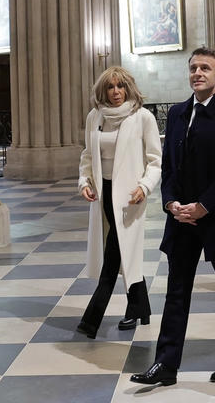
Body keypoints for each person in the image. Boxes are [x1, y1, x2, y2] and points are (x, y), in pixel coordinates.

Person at [131, 47, 215, 388]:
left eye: (205, 68)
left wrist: (203, 206)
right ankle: (166, 363)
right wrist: (171, 203)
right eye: (193, 68)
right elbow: (168, 165)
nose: (197, 72)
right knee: (176, 291)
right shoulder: (176, 114)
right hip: (181, 218)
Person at [76, 66, 162, 339]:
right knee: (123, 250)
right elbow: (88, 156)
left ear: (129, 88)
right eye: (111, 87)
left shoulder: (142, 117)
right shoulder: (95, 117)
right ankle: (141, 309)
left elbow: (155, 161)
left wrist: (145, 186)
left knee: (114, 254)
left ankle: (91, 319)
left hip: (130, 197)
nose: (116, 92)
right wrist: (84, 182)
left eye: (120, 86)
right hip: (104, 192)